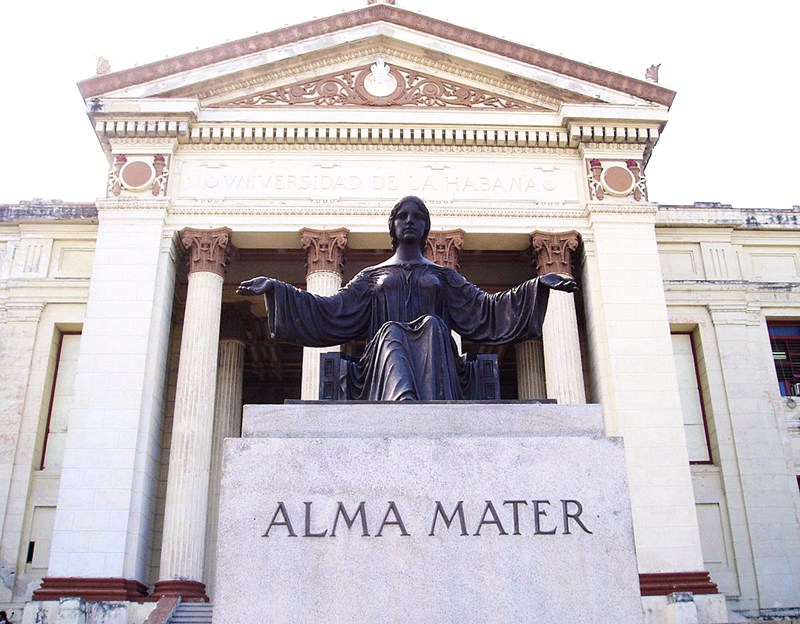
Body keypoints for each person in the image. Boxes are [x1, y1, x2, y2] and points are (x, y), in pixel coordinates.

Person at [237, 195, 577, 400]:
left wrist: (536, 287)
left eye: (417, 217)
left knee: (431, 324)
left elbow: (485, 309)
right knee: (391, 332)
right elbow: (330, 310)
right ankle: (403, 403)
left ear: (426, 227)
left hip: (440, 364)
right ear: (393, 226)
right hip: (379, 367)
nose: (410, 222)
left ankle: (418, 405)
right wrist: (278, 290)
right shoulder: (372, 277)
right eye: (403, 216)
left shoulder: (444, 276)